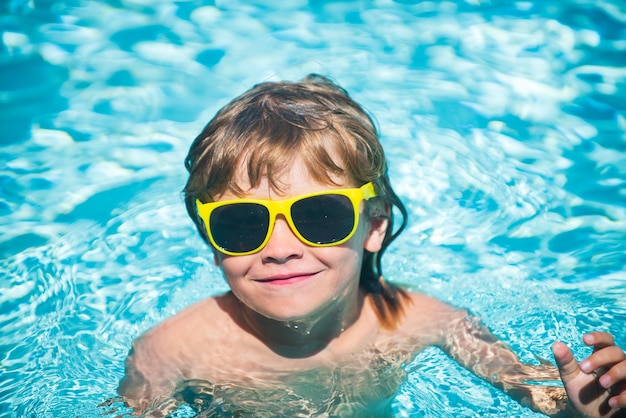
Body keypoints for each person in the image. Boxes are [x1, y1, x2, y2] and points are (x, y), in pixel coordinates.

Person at [118, 74, 626, 417]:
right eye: (242, 224)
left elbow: (539, 391)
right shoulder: (171, 352)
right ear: (210, 238)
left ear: (375, 225)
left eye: (319, 216)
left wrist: (583, 405)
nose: (279, 248)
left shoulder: (421, 320)